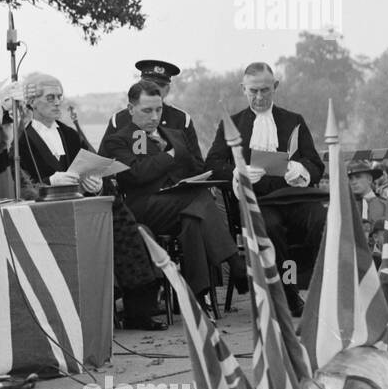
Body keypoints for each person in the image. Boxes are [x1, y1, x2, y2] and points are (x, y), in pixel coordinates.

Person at [19, 73, 171, 328]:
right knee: (122, 222)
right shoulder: (21, 141)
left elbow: (95, 167)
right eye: (50, 97)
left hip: (82, 205)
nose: (57, 102)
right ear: (32, 102)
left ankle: (138, 309)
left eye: (60, 96)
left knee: (120, 216)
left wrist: (98, 183)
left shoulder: (68, 134)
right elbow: (21, 185)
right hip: (50, 212)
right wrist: (50, 180)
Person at [203, 62, 326, 314]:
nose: (259, 97)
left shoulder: (294, 120)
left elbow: (314, 163)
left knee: (322, 219)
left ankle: (320, 286)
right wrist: (239, 170)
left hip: (295, 197)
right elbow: (213, 164)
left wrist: (299, 169)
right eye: (253, 91)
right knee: (268, 227)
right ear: (243, 89)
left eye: (266, 90)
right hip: (258, 202)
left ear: (276, 87)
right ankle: (287, 295)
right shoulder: (232, 123)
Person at [101, 81, 239, 304]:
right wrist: (171, 155)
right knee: (198, 199)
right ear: (130, 109)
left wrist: (193, 178)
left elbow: (196, 167)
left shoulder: (176, 135)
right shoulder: (118, 140)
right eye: (147, 110)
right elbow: (136, 174)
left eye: (159, 109)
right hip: (143, 209)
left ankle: (197, 297)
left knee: (193, 221)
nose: (154, 116)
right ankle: (235, 263)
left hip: (181, 208)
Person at [104, 60, 202, 163]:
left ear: (167, 90)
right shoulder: (119, 119)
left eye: (159, 85)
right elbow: (104, 161)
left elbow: (196, 164)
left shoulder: (181, 120)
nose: (153, 88)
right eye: (148, 84)